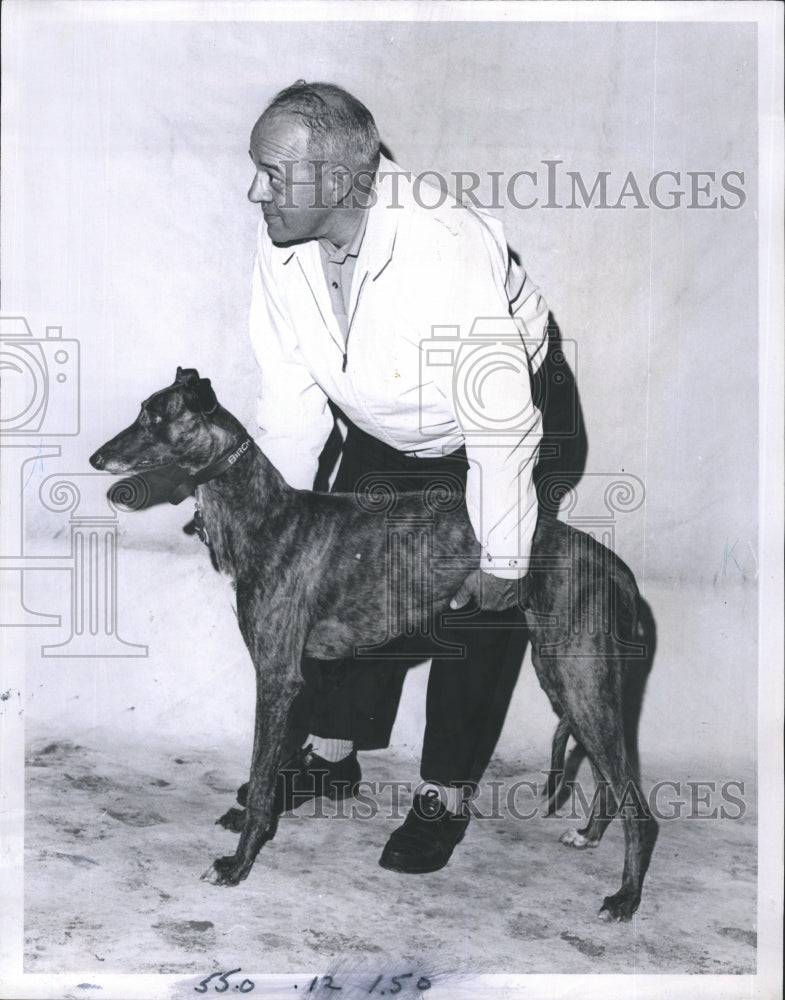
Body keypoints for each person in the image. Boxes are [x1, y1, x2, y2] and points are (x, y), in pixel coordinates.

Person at [247, 81, 549, 874]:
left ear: (346, 180)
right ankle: (331, 756)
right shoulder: (280, 240)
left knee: (477, 598)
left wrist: (506, 558)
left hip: (482, 424)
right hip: (385, 420)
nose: (257, 192)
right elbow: (290, 404)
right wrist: (269, 534)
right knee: (334, 569)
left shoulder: (442, 244)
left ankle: (446, 794)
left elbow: (502, 423)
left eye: (275, 174)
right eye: (257, 170)